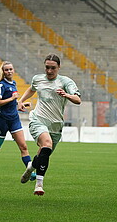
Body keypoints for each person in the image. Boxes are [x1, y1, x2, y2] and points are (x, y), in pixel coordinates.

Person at [18, 54, 81, 196]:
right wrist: (20, 101)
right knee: (46, 144)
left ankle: (30, 167)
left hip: (56, 125)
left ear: (59, 68)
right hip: (38, 119)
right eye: (47, 67)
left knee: (43, 154)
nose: (49, 71)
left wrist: (67, 95)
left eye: (53, 68)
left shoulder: (66, 82)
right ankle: (39, 185)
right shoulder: (38, 79)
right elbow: (32, 89)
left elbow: (78, 100)